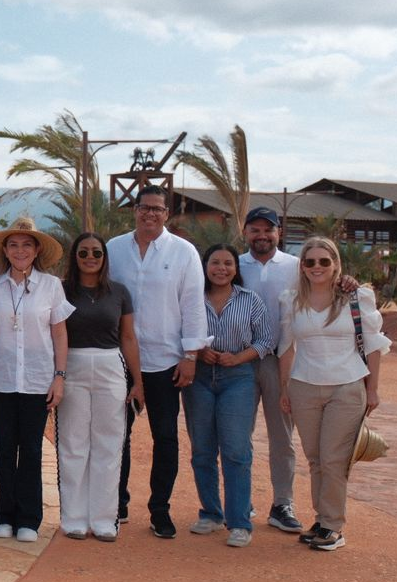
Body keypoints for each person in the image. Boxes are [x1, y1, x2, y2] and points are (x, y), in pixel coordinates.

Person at [277, 236, 389, 552]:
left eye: (324, 261)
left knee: (333, 459)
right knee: (315, 459)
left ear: (336, 264)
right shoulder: (291, 299)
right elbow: (286, 347)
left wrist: (373, 389)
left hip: (347, 386)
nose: (317, 267)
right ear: (302, 266)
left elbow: (374, 343)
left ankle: (333, 527)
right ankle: (322, 519)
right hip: (303, 386)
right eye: (310, 261)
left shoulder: (357, 296)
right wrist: (285, 388)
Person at [107, 186, 206, 539]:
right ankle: (116, 503)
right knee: (118, 435)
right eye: (144, 207)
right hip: (120, 361)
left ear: (167, 214)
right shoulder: (114, 249)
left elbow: (193, 305)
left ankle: (160, 509)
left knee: (165, 437)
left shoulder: (184, 252)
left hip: (166, 362)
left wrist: (190, 355)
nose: (150, 213)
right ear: (135, 210)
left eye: (157, 209)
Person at [0, 218, 71, 544]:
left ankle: (29, 519)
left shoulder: (51, 286)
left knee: (30, 449)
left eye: (27, 245)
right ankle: (4, 516)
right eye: (13, 245)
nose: (20, 251)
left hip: (37, 379)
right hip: (0, 378)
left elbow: (59, 334)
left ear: (37, 250)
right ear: (5, 250)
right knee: (4, 449)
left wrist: (59, 376)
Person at [184, 244, 274, 548]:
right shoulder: (192, 298)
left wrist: (238, 358)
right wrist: (199, 351)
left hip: (238, 378)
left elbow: (266, 340)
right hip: (198, 377)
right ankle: (211, 513)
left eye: (227, 263)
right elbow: (179, 330)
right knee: (202, 449)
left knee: (236, 450)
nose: (221, 268)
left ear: (236, 268)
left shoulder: (250, 300)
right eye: (215, 262)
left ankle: (239, 522)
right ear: (204, 266)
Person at [58, 232, 142, 542]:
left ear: (105, 257)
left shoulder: (119, 292)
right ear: (74, 257)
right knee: (73, 443)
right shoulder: (61, 290)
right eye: (83, 252)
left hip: (111, 367)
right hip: (72, 365)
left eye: (96, 252)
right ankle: (74, 518)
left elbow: (128, 337)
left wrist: (138, 382)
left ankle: (105, 519)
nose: (90, 257)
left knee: (109, 443)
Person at [236, 206, 304, 534]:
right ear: (245, 232)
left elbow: (325, 285)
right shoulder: (233, 265)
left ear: (279, 233)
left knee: (282, 437)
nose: (262, 236)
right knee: (239, 435)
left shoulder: (296, 266)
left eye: (268, 229)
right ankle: (241, 501)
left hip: (281, 360)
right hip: (241, 360)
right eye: (255, 230)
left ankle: (282, 503)